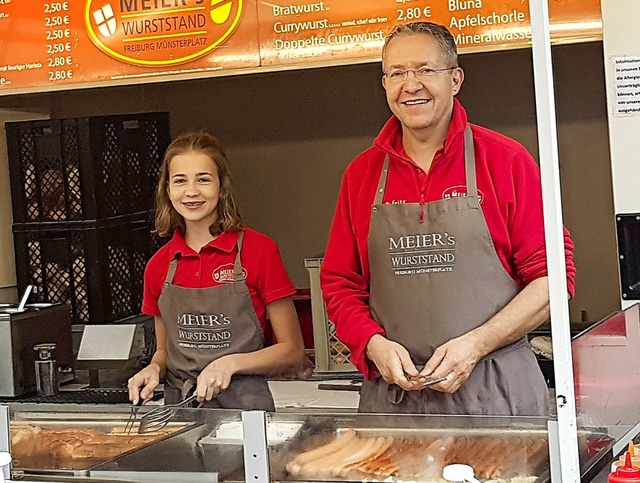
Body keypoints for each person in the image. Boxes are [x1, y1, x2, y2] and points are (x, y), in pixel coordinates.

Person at [320, 22, 576, 416]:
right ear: (385, 83)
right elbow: (340, 283)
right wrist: (373, 343)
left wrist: (476, 344)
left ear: (455, 79)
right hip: (396, 402)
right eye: (397, 73)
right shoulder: (361, 174)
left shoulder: (504, 161)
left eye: (425, 69)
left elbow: (552, 279)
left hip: (496, 395)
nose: (411, 84)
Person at [128, 131, 305, 410]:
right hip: (180, 413)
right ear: (167, 189)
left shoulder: (259, 251)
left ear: (222, 187)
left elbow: (292, 351)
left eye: (203, 179)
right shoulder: (158, 266)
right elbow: (164, 351)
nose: (192, 191)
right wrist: (153, 370)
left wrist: (230, 364)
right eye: (180, 181)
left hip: (247, 412)